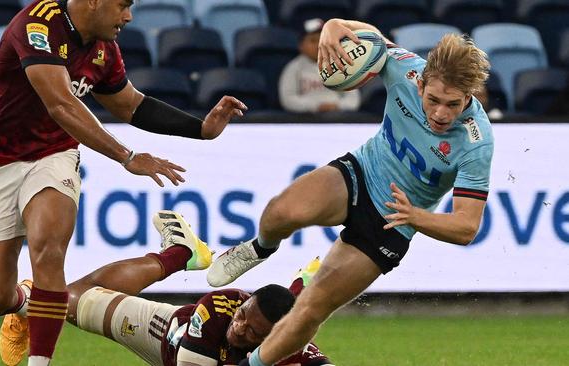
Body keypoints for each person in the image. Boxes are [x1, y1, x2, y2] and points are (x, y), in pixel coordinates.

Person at [0, 0, 246, 365]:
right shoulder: (38, 24)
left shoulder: (103, 49)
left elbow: (130, 105)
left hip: (53, 153)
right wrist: (127, 157)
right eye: (122, 6)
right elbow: (60, 104)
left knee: (48, 249)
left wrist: (200, 129)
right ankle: (24, 303)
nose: (128, 17)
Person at [207, 18, 494, 366]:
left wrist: (415, 217)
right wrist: (332, 26)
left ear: (469, 96)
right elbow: (367, 36)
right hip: (360, 172)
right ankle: (258, 248)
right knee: (281, 212)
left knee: (310, 308)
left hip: (393, 223)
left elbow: (466, 227)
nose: (440, 113)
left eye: (453, 104)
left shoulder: (476, 142)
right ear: (420, 83)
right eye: (433, 99)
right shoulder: (405, 67)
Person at [24, 210, 333, 365]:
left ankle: (302, 286)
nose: (239, 328)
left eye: (252, 332)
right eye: (241, 317)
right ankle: (180, 254)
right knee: (74, 300)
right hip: (164, 333)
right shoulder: (218, 309)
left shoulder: (293, 349)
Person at [278, 18, 361, 113]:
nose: (319, 44)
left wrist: (338, 106)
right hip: (306, 119)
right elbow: (287, 99)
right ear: (301, 46)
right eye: (313, 41)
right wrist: (315, 106)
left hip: (337, 118)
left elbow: (353, 99)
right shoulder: (294, 67)